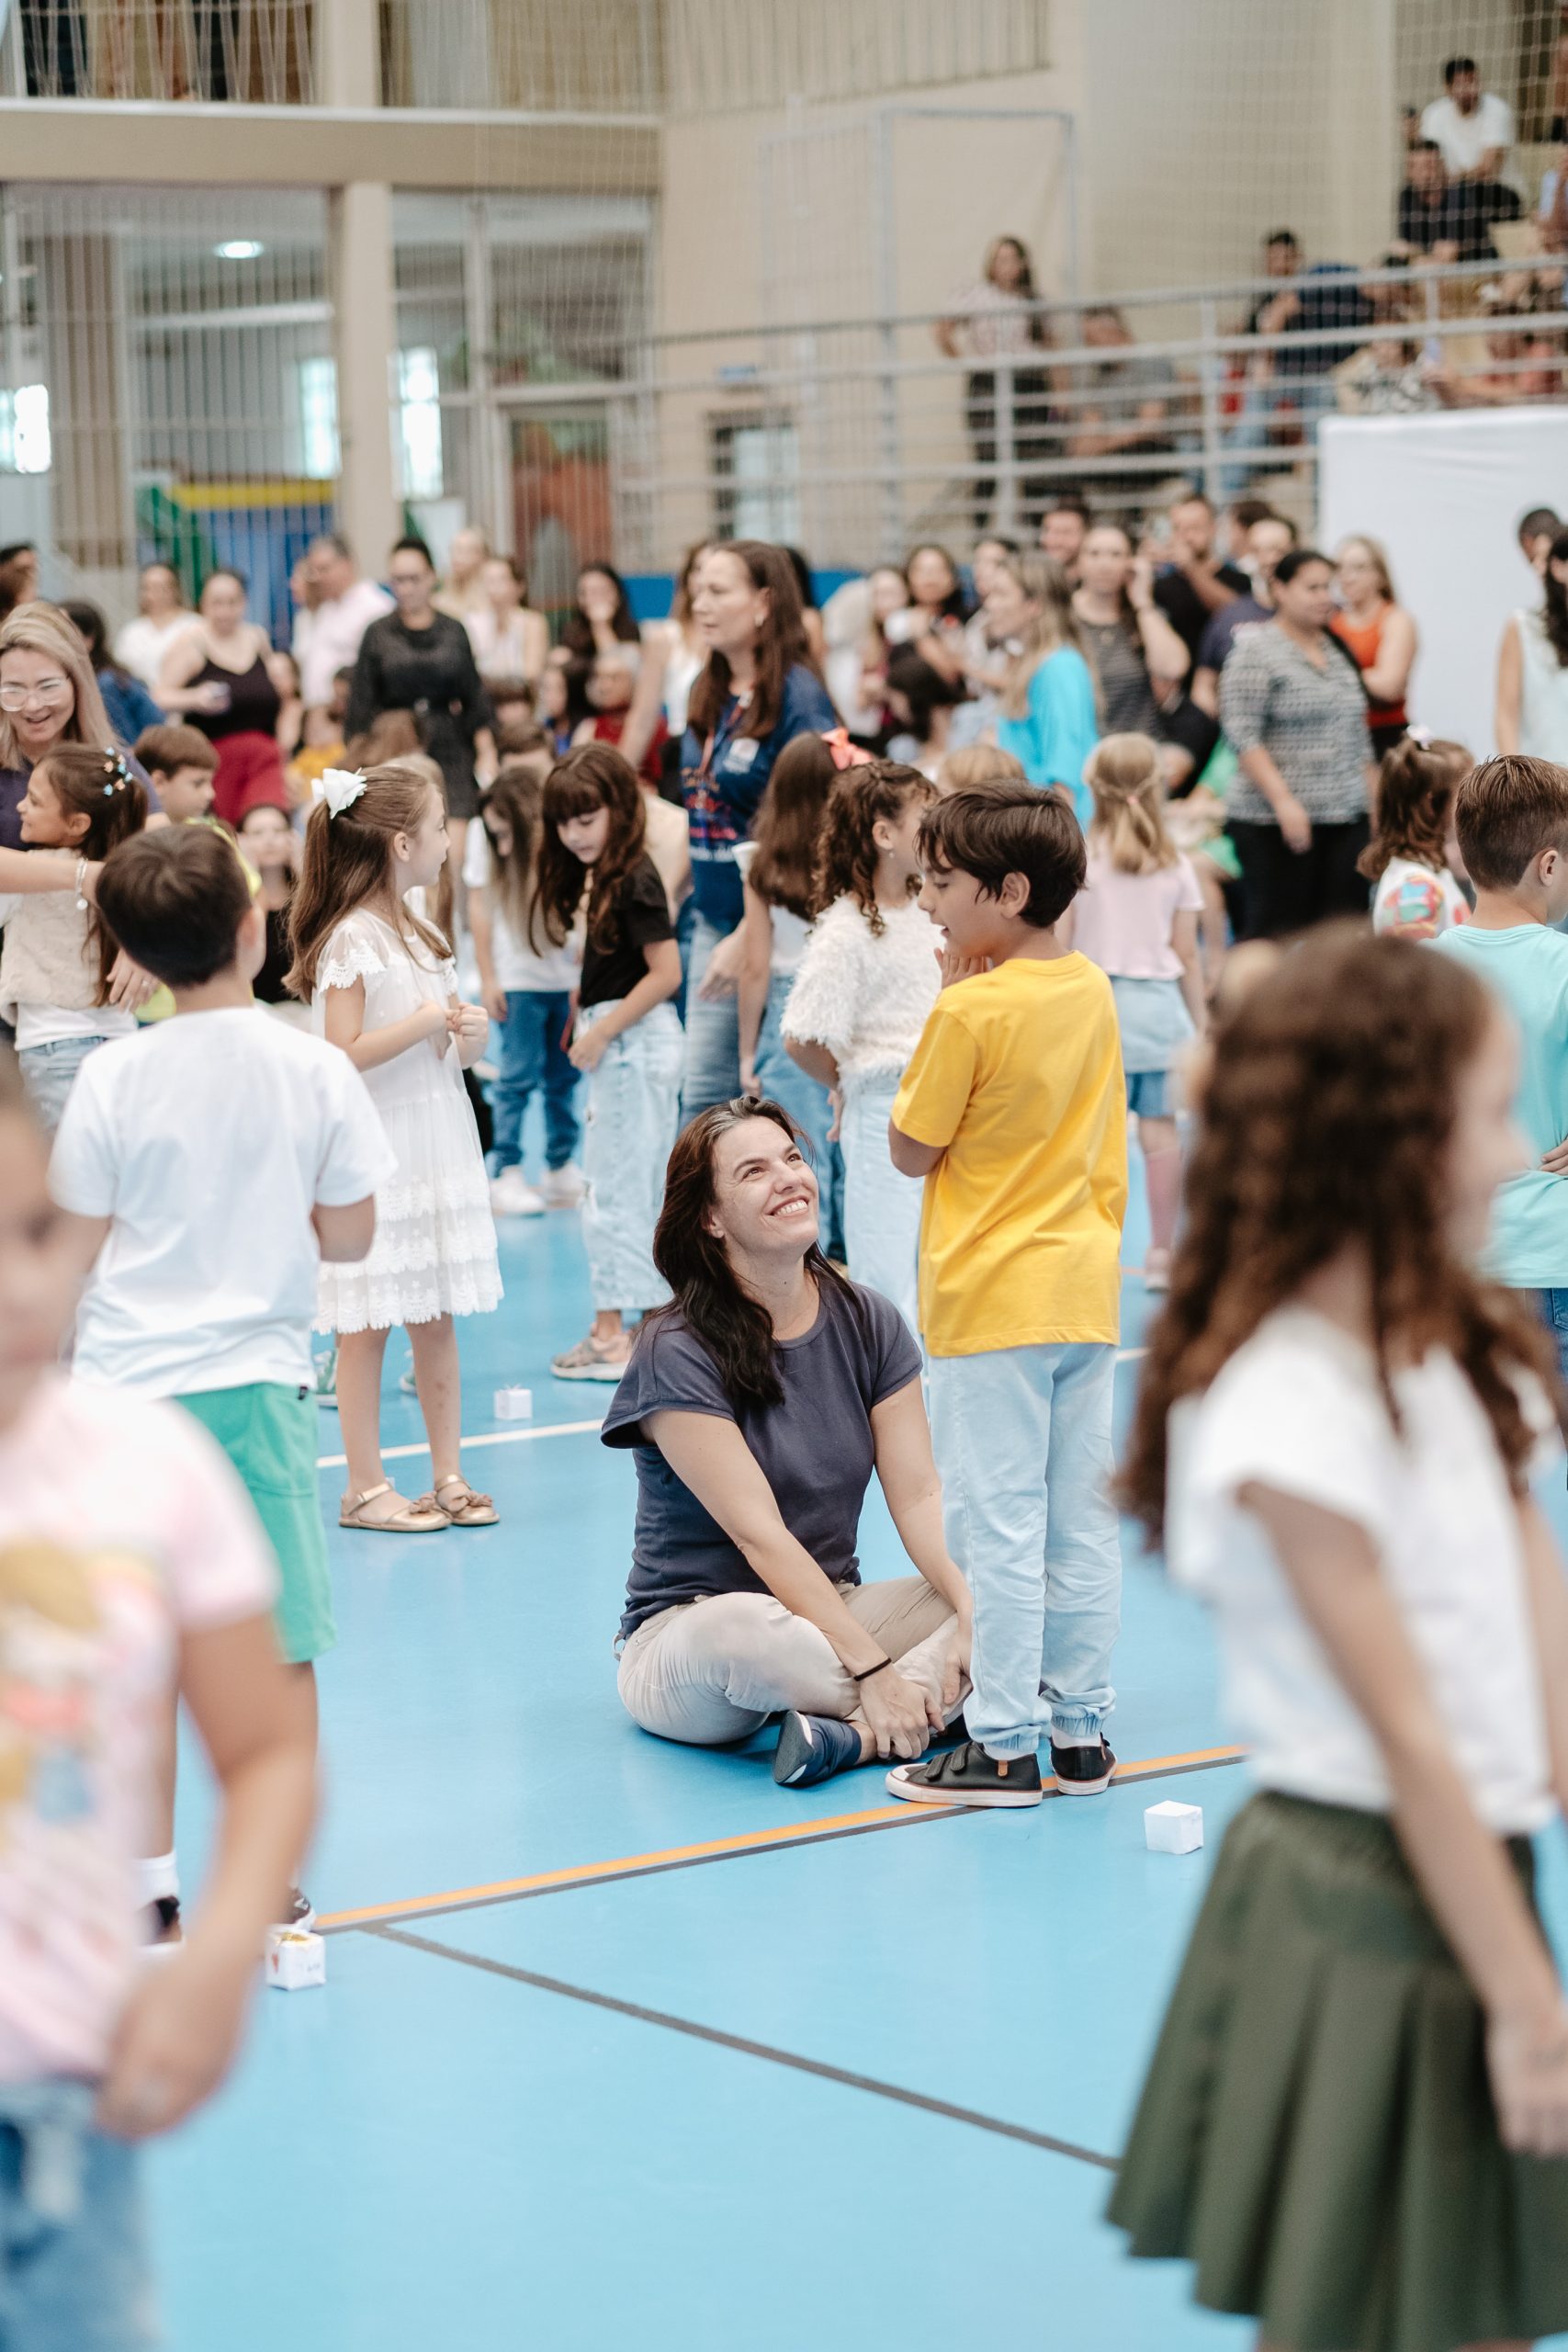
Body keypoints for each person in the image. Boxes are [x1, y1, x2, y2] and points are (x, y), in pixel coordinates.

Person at [1111, 923, 1568, 2346]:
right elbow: (1409, 1734)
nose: (1513, 1157)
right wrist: (1523, 2000)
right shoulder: (1283, 1414)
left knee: (1479, 2306)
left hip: (1473, 1867)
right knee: (1379, 2313)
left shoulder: (1458, 1346)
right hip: (1358, 1896)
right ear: (1388, 1140)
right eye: (1489, 1116)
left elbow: (1536, 1640)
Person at [0, 1043, 317, 2346]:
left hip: (63, 2099)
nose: (29, 1286)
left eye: (34, 1230)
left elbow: (266, 1752)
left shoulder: (144, 1468)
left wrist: (215, 1962)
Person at [51, 822, 389, 1934]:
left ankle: (148, 1894)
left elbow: (76, 1248)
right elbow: (348, 1239)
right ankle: (267, 1883)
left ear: (134, 953)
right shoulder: (314, 1068)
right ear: (256, 929)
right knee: (276, 1647)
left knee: (135, 1652)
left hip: (120, 1403)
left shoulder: (110, 1075)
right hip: (253, 1393)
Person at [605, 1098, 971, 1781]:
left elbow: (920, 1495)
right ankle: (934, 1699)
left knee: (1018, 1585)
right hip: (696, 1636)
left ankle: (857, 1739)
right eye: (753, 1171)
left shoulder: (869, 1319)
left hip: (830, 1606)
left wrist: (978, 1612)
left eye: (793, 1159)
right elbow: (759, 1537)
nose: (788, 1178)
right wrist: (870, 1666)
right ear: (710, 1218)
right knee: (747, 1633)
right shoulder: (673, 1346)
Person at [886, 785, 1126, 1807]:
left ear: (1009, 891)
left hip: (991, 1303)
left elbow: (909, 1149)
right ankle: (1080, 1733)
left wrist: (948, 997)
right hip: (1082, 1291)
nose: (927, 898)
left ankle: (1003, 1746)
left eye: (942, 882)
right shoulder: (1093, 989)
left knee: (998, 1527)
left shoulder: (969, 1006)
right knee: (1080, 1522)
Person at [287, 760, 502, 1531]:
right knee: (367, 1320)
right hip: (379, 1147)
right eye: (442, 828)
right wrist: (423, 1024)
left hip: (435, 1138)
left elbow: (441, 1045)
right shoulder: (352, 939)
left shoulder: (425, 933)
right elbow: (340, 1050)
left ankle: (448, 1470)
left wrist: (464, 1037)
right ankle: (364, 1486)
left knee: (435, 1312)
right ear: (403, 842)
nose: (450, 842)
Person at [537, 745, 683, 1383]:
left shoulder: (634, 876)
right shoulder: (606, 877)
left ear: (617, 810)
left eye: (586, 818)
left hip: (633, 1042)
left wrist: (603, 1032)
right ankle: (638, 1328)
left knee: (618, 1190)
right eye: (565, 822)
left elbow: (666, 973)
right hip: (621, 1038)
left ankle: (616, 1333)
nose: (575, 834)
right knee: (624, 1186)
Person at [782, 761, 939, 1338]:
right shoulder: (846, 929)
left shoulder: (933, 911)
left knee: (933, 1262)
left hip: (942, 1102)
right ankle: (894, 1406)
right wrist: (847, 1082)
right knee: (888, 1268)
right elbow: (802, 1036)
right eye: (926, 816)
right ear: (884, 834)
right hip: (883, 1112)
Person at [680, 541, 837, 1117]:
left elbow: (815, 829)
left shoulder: (800, 697)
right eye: (698, 590)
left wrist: (750, 934)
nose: (702, 604)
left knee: (734, 1092)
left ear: (764, 602)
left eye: (719, 591)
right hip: (710, 914)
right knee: (704, 1095)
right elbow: (698, 804)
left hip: (772, 928)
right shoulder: (708, 691)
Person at [1436, 754, 1568, 1385]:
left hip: (1457, 1257)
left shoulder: (1421, 974)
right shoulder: (1562, 964)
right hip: (1554, 1251)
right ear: (1548, 866)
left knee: (1473, 1465)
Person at [1066, 734, 1205, 1289]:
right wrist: (1200, 1023)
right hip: (1156, 1015)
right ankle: (1162, 1255)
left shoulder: (1081, 861)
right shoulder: (1176, 865)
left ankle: (1089, 1250)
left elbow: (1065, 942)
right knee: (1161, 1136)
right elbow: (1188, 953)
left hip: (1096, 1014)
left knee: (1092, 1140)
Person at [1219, 545, 1376, 936]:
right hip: (1272, 821)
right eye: (1312, 587)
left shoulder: (1336, 648)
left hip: (1345, 813)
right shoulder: (1256, 650)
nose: (1325, 597)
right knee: (1278, 934)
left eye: (1329, 587)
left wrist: (1375, 808)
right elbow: (1242, 734)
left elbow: (1358, 735)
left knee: (1344, 933)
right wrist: (1283, 801)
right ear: (1281, 589)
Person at [0, 744, 148, 1129]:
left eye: (33, 801)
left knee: (66, 1176)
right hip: (124, 1043)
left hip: (53, 1048)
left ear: (77, 823)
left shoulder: (29, 874)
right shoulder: (131, 878)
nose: (20, 807)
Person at [466, 763, 583, 1217]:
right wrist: (489, 976)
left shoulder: (563, 841)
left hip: (564, 982)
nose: (503, 844)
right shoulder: (487, 838)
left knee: (564, 1077)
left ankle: (560, 1165)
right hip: (518, 981)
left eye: (508, 833)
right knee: (516, 1078)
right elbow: (479, 907)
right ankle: (508, 1169)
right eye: (496, 835)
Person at [736, 731, 841, 1231]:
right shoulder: (851, 863)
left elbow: (755, 966)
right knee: (852, 1135)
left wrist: (745, 1051)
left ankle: (816, 1249)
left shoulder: (763, 864)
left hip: (789, 1003)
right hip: (844, 999)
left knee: (802, 1144)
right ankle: (852, 1249)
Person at [346, 537, 497, 837]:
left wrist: (487, 751)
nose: (407, 588)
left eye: (414, 578)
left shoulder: (454, 631)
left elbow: (474, 695)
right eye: (398, 580)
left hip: (450, 740)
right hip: (395, 742)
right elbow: (360, 705)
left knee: (455, 840)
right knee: (400, 835)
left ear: (432, 577)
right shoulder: (376, 634)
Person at [0, 602, 148, 853]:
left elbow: (154, 841)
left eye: (48, 686)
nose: (33, 705)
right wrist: (83, 874)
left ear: (77, 684)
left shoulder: (111, 766)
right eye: (14, 689)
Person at [934, 233, 1052, 533]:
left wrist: (1058, 389)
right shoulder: (976, 295)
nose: (1006, 265)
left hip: (1029, 381)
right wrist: (968, 361)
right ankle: (981, 534)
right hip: (988, 381)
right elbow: (942, 329)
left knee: (1031, 460)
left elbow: (1051, 345)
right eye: (1000, 259)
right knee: (988, 460)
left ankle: (1035, 532)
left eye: (1012, 258)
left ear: (1023, 263)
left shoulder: (1034, 301)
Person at [157, 569, 288, 825]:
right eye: (217, 603)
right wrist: (195, 698)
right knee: (228, 830)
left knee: (267, 823)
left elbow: (284, 694)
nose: (225, 612)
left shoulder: (256, 637)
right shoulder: (192, 642)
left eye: (232, 603)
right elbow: (159, 695)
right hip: (216, 760)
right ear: (203, 605)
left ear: (244, 603)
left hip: (264, 756)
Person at [987, 551, 1099, 818]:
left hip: (1053, 830)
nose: (990, 604)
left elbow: (1064, 774)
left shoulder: (1060, 666)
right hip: (1031, 821)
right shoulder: (1034, 663)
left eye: (1001, 594)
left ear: (1034, 605)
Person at [1072, 520, 1190, 741]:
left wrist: (1142, 602)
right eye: (1094, 554)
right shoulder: (1061, 617)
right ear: (1079, 562)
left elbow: (1173, 668)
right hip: (1080, 750)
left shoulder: (1144, 616)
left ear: (1130, 563)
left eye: (1116, 555)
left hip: (1137, 752)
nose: (1104, 564)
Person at [1066, 306, 1187, 500]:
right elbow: (1086, 433)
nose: (1088, 347)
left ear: (1112, 333)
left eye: (1091, 339)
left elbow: (1149, 426)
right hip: (1113, 453)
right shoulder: (1097, 376)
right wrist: (1090, 447)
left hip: (1153, 451)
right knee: (1065, 470)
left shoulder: (1151, 362)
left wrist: (1101, 443)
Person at [1360, 731, 1472, 938]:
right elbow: (1409, 968)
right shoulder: (1415, 892)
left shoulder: (1431, 875)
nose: (1476, 804)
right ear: (1432, 805)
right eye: (1466, 793)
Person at [1190, 509, 1296, 715]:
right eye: (1259, 551)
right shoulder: (1230, 614)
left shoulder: (1316, 612)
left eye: (1277, 550)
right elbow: (1202, 685)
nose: (1268, 560)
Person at [1329, 533, 1417, 758]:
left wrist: (1327, 675)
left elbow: (1389, 685)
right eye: (1341, 568)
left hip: (1384, 738)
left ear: (1379, 575)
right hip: (1339, 737)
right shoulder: (1331, 622)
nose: (1347, 577)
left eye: (1358, 568)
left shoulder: (1395, 619)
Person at [291, 533, 392, 712]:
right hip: (316, 716)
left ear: (347, 564)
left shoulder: (375, 606)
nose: (318, 578)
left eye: (324, 569)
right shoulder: (325, 608)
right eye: (314, 571)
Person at [1149, 491, 1247, 667]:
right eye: (1178, 528)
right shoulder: (1161, 584)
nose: (1186, 537)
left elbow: (1237, 615)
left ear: (1213, 528)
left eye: (1194, 528)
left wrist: (1191, 567)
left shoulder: (1238, 578)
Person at [1496, 526, 1568, 762]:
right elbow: (1506, 715)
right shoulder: (1524, 627)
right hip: (1542, 784)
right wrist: (1514, 781)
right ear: (1558, 567)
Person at [60, 599, 164, 750]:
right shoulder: (103, 676)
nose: (54, 637)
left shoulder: (105, 684)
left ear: (88, 640)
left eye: (63, 631)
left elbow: (125, 748)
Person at [236, 800, 302, 1012]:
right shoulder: (236, 900)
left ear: (293, 837)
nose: (269, 840)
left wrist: (304, 872)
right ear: (241, 841)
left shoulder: (307, 896)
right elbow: (243, 957)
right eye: (257, 833)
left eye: (278, 830)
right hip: (255, 1011)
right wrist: (250, 876)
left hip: (306, 1012)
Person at [1421, 54, 1517, 193]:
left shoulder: (1497, 110)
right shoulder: (1434, 114)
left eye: (1472, 82)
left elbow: (1488, 169)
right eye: (1460, 84)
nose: (1469, 90)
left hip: (1498, 192)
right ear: (1447, 88)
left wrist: (1452, 179)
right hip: (1450, 193)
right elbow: (1430, 166)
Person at [576, 644, 669, 785]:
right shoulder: (589, 728)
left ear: (635, 680)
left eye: (615, 677)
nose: (604, 686)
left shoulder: (654, 726)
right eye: (599, 677)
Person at [465, 553, 549, 690]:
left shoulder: (532, 621)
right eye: (488, 580)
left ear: (519, 586)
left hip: (521, 698)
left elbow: (532, 673)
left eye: (500, 579)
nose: (493, 586)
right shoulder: (474, 622)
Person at [113, 558, 198, 692]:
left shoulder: (194, 625)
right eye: (147, 588)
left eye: (160, 587)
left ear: (176, 589)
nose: (153, 594)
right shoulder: (131, 631)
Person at [132, 722, 220, 827]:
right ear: (158, 782)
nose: (210, 794)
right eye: (198, 784)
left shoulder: (208, 833)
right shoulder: (129, 836)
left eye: (210, 782)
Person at [434, 523, 490, 622]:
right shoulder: (439, 595)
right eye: (454, 549)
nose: (457, 556)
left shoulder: (491, 595)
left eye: (466, 550)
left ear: (482, 556)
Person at [1039, 492, 1089, 582]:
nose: (1056, 541)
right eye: (1048, 531)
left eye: (1066, 532)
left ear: (1086, 535)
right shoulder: (1034, 583)